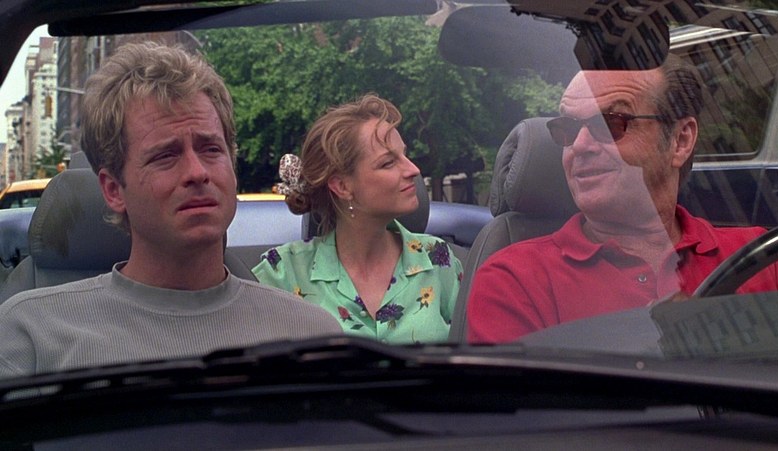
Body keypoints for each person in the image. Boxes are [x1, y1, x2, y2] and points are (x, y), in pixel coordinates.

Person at [0, 42, 341, 377]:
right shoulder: (30, 337)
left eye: (211, 149)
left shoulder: (310, 334)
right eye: (165, 155)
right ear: (113, 190)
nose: (197, 172)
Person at [467, 56, 778, 344]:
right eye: (566, 129)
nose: (578, 146)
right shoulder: (515, 280)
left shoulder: (770, 262)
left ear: (680, 140)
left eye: (610, 124)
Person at [252, 94, 462, 344]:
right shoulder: (282, 272)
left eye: (405, 155)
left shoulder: (437, 258)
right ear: (342, 186)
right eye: (388, 163)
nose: (413, 170)